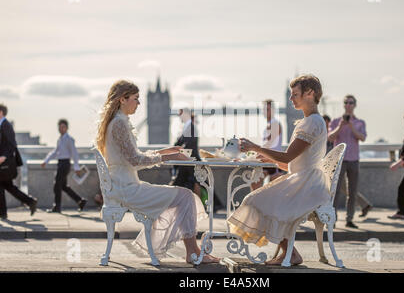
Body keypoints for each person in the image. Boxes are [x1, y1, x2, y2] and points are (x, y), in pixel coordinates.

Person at [95, 79, 220, 264]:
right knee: (185, 196)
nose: (138, 103)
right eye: (136, 98)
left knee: (184, 196)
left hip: (123, 185)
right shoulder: (120, 124)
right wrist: (168, 158)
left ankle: (194, 251)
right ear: (123, 99)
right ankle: (192, 253)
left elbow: (133, 157)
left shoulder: (117, 122)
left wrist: (165, 151)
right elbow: (136, 161)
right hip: (127, 189)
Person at [229, 74, 330, 265]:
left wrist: (256, 147)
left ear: (309, 93)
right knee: (260, 198)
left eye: (295, 94)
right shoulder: (311, 121)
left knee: (255, 200)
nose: (290, 99)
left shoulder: (312, 122)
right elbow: (292, 163)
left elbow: (287, 157)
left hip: (307, 184)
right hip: (305, 178)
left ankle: (290, 253)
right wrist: (269, 159)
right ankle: (289, 252)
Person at [328, 95, 372, 228]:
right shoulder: (336, 121)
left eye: (351, 103)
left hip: (353, 159)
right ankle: (332, 219)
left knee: (352, 191)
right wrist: (341, 126)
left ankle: (349, 219)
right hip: (339, 160)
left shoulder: (360, 122)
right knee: (334, 192)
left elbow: (362, 138)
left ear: (355, 105)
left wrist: (352, 126)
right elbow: (330, 137)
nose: (348, 105)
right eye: (346, 102)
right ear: (343, 105)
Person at [0, 104, 38, 219]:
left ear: (1, 112)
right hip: (4, 163)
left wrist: (3, 156)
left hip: (5, 163)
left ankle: (3, 213)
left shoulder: (6, 125)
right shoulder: (2, 125)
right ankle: (30, 201)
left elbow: (12, 144)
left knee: (4, 186)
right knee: (8, 186)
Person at [41, 119, 87, 213]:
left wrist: (76, 167)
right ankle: (80, 201)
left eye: (63, 127)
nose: (61, 129)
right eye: (60, 127)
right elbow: (55, 152)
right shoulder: (60, 139)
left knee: (57, 185)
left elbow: (74, 153)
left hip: (65, 164)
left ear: (67, 128)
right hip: (60, 163)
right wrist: (46, 161)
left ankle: (57, 207)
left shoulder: (69, 139)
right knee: (63, 186)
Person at [250, 99, 285, 191]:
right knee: (254, 184)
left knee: (273, 191)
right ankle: (256, 204)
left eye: (267, 109)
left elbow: (269, 143)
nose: (265, 112)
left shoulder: (275, 124)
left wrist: (254, 150)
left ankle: (258, 204)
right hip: (266, 159)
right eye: (264, 109)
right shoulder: (268, 124)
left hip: (274, 159)